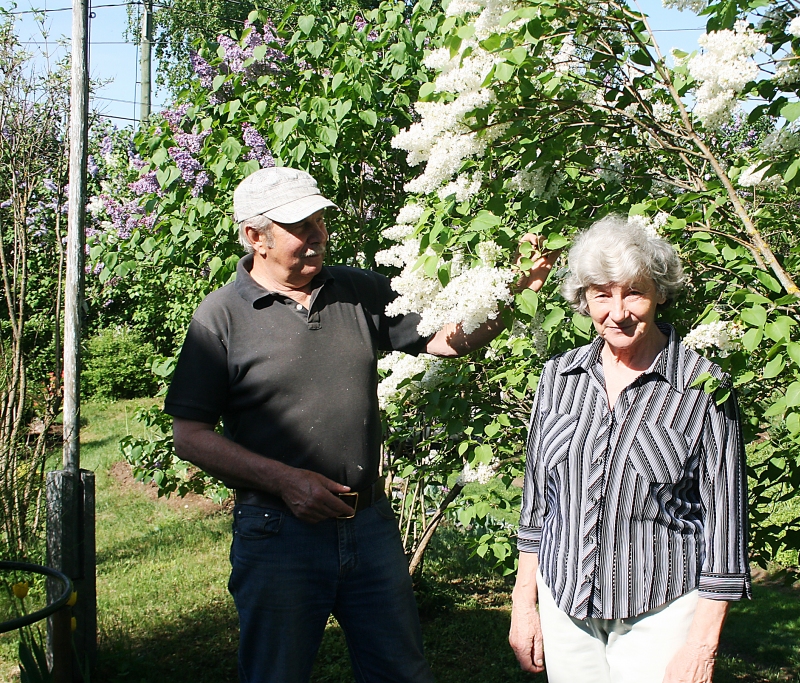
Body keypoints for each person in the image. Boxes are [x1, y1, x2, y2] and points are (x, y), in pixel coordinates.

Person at [164, 166, 555, 683]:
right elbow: (188, 436)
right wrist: (285, 481)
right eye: (299, 225)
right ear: (254, 236)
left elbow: (444, 339)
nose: (317, 235)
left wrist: (513, 290)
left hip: (368, 526)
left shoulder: (357, 289)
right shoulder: (221, 317)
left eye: (319, 220)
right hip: (279, 533)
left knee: (402, 673)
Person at [508, 216, 751, 683]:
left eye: (634, 292)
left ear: (660, 292)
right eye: (602, 294)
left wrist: (702, 645)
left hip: (660, 608)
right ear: (584, 300)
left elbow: (726, 524)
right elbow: (539, 503)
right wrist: (525, 602)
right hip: (565, 605)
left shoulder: (702, 386)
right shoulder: (558, 379)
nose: (618, 312)